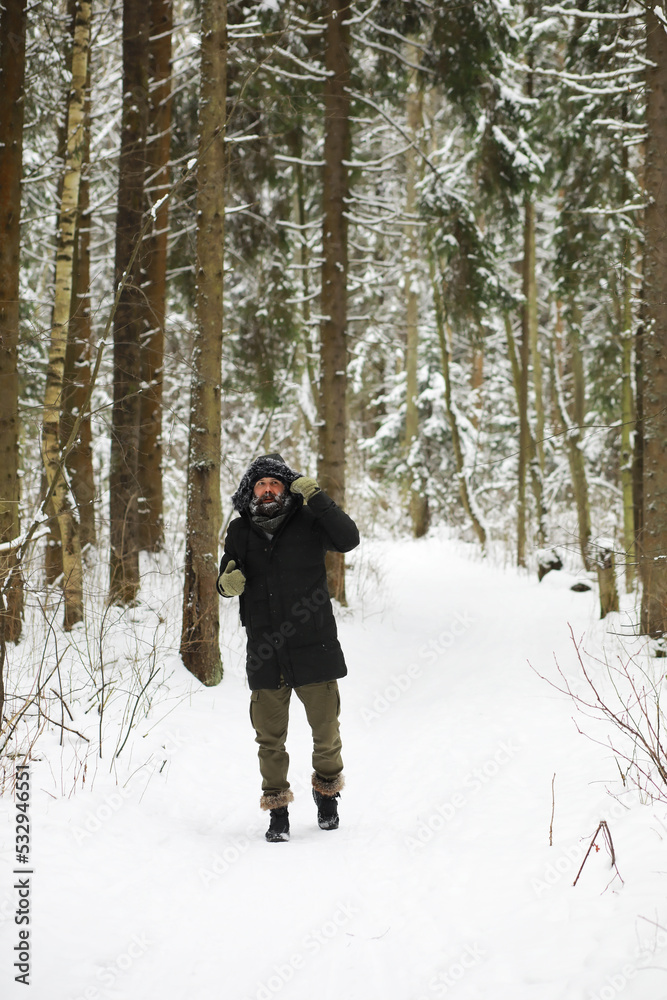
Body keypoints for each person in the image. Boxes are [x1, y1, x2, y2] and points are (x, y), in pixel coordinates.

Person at [217, 453, 360, 842]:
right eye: (260, 484)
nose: (267, 490)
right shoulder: (240, 530)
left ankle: (327, 794)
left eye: (274, 483)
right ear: (251, 491)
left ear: (287, 488)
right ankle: (277, 811)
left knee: (326, 733)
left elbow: (348, 539)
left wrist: (318, 497)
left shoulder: (310, 520)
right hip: (265, 651)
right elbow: (227, 571)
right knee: (269, 740)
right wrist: (225, 584)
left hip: (314, 645)